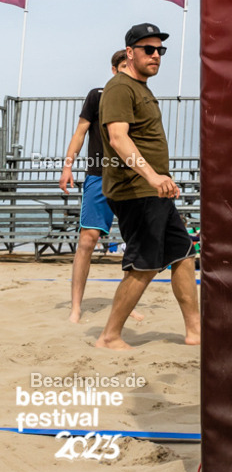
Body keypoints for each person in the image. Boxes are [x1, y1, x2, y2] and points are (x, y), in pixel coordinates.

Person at [94, 23, 200, 350]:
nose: (156, 56)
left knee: (183, 254)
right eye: (148, 50)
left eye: (160, 51)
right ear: (130, 53)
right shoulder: (119, 88)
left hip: (154, 192)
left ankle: (196, 331)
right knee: (144, 265)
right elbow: (117, 137)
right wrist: (153, 176)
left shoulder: (142, 88)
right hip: (136, 191)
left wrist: (159, 182)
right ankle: (109, 336)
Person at [59, 50, 142, 324]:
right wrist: (67, 166)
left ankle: (127, 306)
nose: (125, 71)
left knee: (135, 243)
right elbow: (80, 132)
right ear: (114, 70)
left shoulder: (140, 98)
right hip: (99, 176)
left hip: (130, 178)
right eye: (121, 67)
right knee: (87, 240)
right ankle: (75, 308)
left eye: (128, 67)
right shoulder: (97, 95)